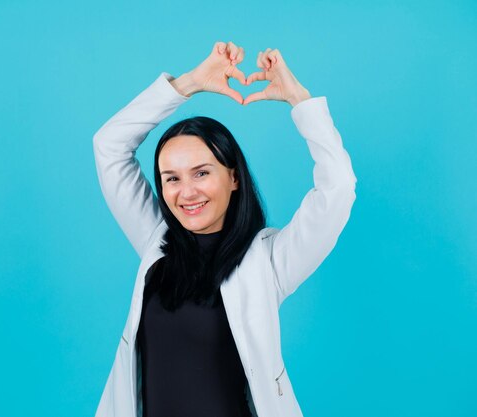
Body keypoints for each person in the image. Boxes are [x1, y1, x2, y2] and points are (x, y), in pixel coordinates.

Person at [92, 41, 357, 417]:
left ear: (233, 177)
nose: (187, 192)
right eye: (171, 178)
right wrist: (190, 83)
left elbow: (338, 189)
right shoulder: (156, 243)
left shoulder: (269, 261)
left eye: (201, 173)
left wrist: (299, 100)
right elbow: (108, 146)